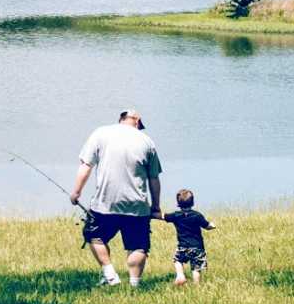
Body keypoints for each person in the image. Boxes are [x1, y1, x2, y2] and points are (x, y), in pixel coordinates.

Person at [69, 109, 162, 287]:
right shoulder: (147, 141)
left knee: (94, 236)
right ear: (137, 121)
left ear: (121, 120)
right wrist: (156, 206)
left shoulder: (101, 133)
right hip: (137, 205)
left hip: (105, 203)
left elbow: (86, 165)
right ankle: (135, 284)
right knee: (138, 245)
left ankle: (110, 275)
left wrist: (76, 192)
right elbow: (154, 178)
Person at [158, 189, 216, 286]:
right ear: (192, 202)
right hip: (198, 247)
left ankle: (180, 275)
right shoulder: (197, 216)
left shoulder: (176, 215)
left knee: (177, 260)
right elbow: (207, 226)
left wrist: (150, 214)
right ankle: (196, 286)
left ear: (178, 203)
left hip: (183, 246)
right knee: (196, 268)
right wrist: (212, 225)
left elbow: (162, 216)